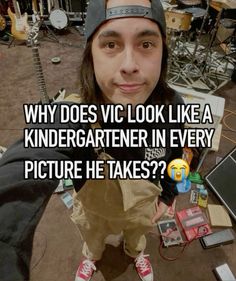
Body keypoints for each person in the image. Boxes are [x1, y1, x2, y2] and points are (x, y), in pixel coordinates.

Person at [0, 0, 184, 281]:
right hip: (94, 212)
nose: (130, 66)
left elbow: (175, 156)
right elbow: (25, 162)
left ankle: (136, 254)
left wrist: (168, 194)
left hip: (142, 207)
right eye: (111, 44)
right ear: (91, 56)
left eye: (146, 44)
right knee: (93, 241)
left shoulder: (174, 107)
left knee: (136, 239)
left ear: (163, 52)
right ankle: (92, 257)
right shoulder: (73, 115)